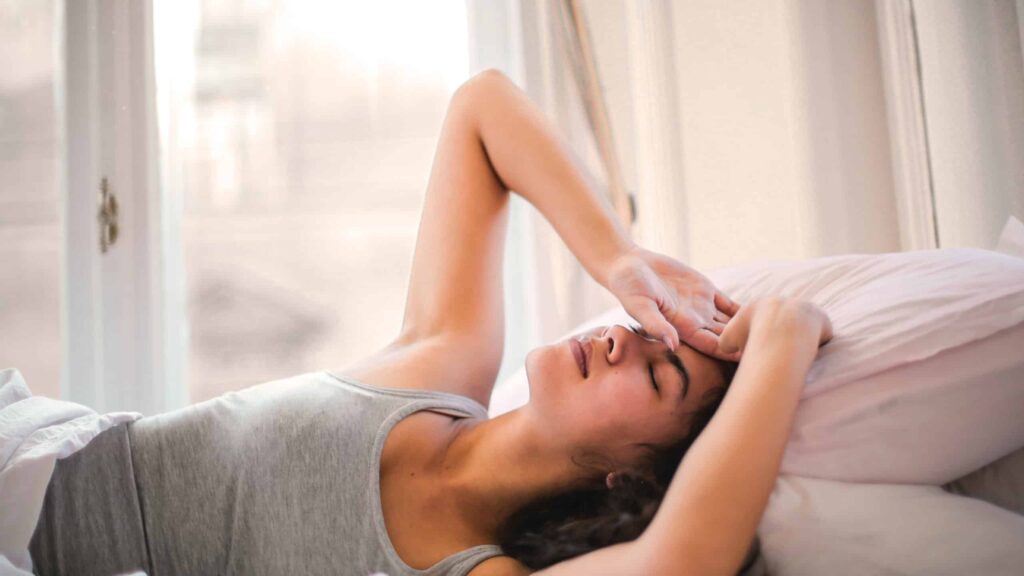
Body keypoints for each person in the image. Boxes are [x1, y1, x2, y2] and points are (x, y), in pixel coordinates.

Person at [28, 69, 832, 576]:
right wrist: (620, 259)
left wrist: (783, 342)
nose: (624, 336)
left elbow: (684, 559)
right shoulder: (438, 366)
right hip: (30, 445)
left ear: (631, 475)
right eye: (644, 328)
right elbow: (482, 107)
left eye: (657, 373)